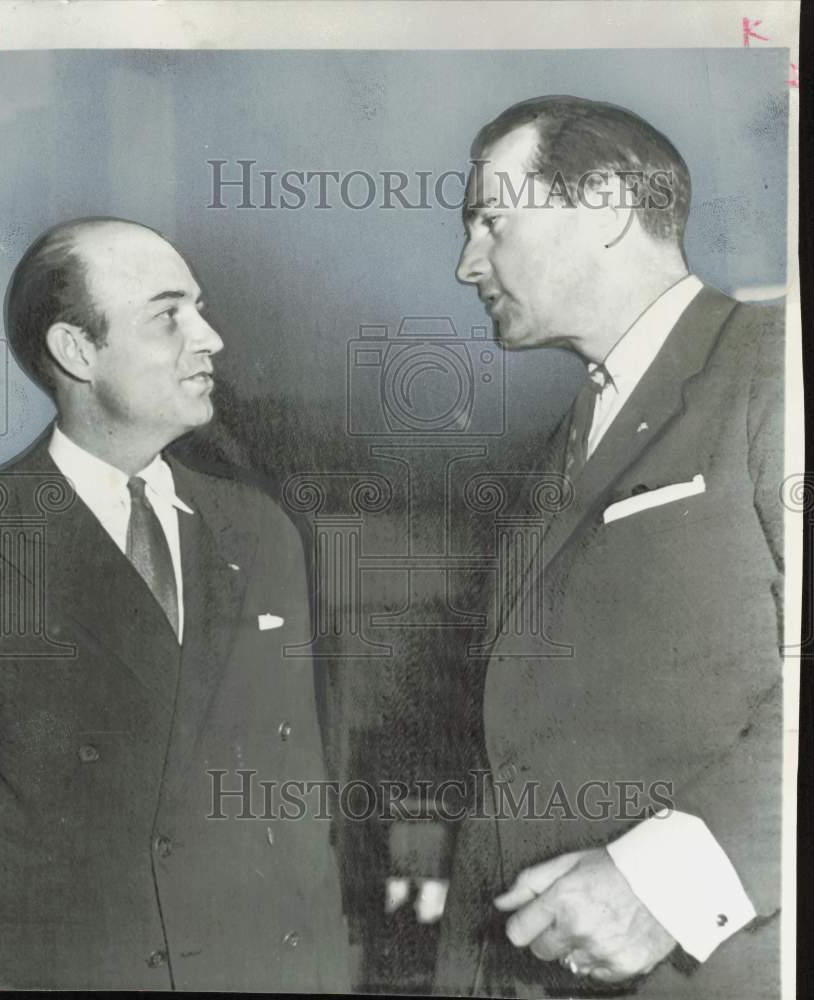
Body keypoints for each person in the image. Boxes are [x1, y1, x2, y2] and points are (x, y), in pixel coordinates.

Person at [0, 218, 349, 990]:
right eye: (170, 315)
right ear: (76, 351)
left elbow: (300, 809)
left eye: (200, 307)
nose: (212, 338)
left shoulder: (258, 530)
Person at [435, 97, 784, 998]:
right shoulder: (564, 442)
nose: (466, 262)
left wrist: (666, 884)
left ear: (605, 203)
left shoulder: (774, 362)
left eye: (490, 220)